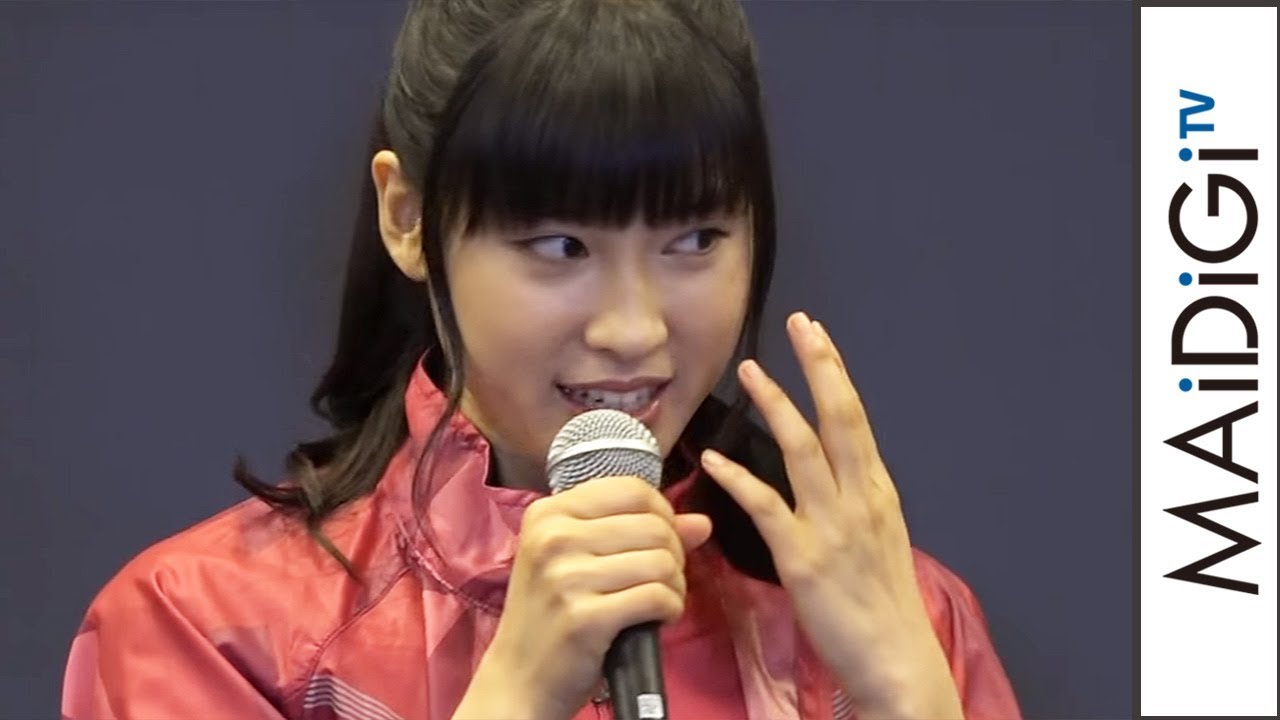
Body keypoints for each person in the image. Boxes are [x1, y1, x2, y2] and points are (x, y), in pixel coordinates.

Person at [61, 1, 1021, 718]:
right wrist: (513, 695)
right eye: (561, 247)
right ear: (408, 218)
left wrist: (910, 701)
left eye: (695, 240)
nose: (635, 329)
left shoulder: (903, 617)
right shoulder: (207, 629)